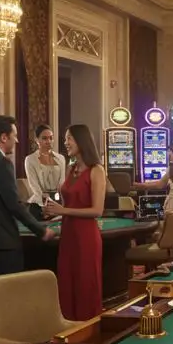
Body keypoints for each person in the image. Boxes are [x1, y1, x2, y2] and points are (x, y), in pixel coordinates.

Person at [44, 125, 105, 321]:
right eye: (65, 138)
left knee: (86, 281)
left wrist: (63, 211)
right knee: (67, 280)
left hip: (86, 235)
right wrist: (54, 213)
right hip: (68, 234)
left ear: (81, 141)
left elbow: (97, 210)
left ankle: (89, 328)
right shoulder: (71, 169)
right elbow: (67, 204)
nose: (65, 142)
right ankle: (68, 327)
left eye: (69, 138)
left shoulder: (97, 170)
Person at [0, 116, 53, 277]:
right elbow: (13, 205)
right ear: (4, 137)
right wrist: (40, 230)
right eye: (14, 135)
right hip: (2, 244)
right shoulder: (2, 163)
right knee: (8, 295)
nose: (17, 141)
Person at [133, 142, 173, 212]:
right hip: (171, 204)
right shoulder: (172, 168)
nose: (168, 154)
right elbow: (160, 184)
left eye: (171, 152)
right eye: (169, 151)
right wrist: (140, 185)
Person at [24, 124, 66, 220]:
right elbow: (34, 186)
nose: (49, 141)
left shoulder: (61, 158)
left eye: (51, 138)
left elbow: (62, 183)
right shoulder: (30, 159)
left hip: (57, 201)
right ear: (37, 140)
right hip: (39, 203)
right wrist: (44, 205)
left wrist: (60, 204)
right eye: (45, 138)